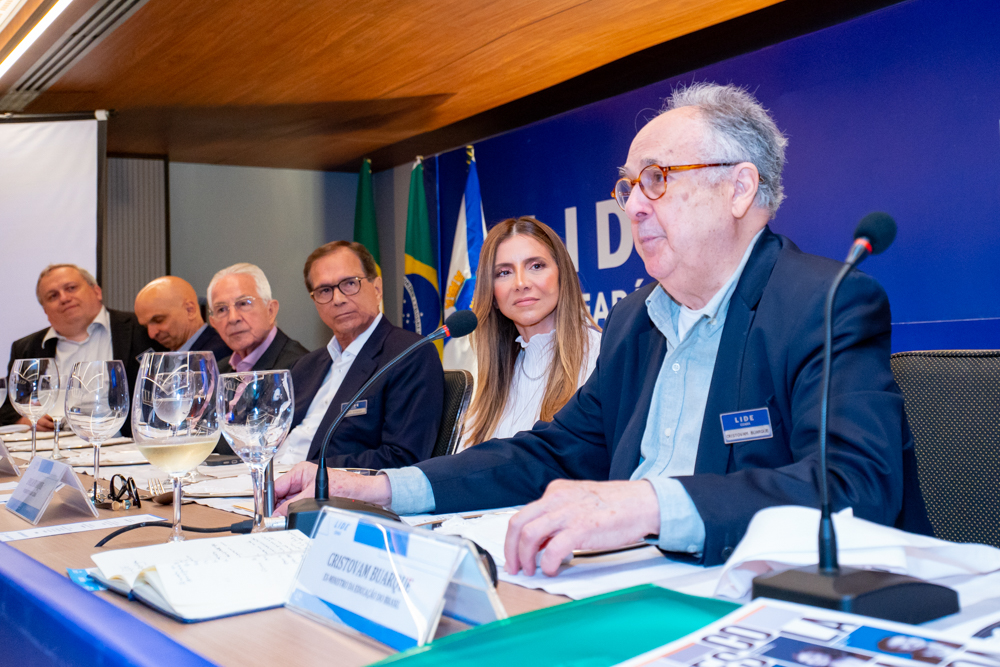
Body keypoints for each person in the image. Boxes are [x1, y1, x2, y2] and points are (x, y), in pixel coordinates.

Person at [275, 83, 930, 575]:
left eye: (656, 180)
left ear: (738, 189)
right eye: (627, 185)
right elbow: (552, 453)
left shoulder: (825, 302)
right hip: (626, 582)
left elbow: (855, 487)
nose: (633, 204)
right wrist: (382, 487)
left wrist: (646, 505)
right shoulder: (635, 318)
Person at [275, 240, 444, 469]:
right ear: (315, 302)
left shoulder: (409, 354)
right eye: (325, 290)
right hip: (262, 479)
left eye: (349, 284)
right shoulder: (305, 366)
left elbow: (403, 458)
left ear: (377, 289)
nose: (338, 299)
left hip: (323, 486)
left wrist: (313, 472)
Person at [459, 216, 600, 450]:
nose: (521, 283)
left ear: (562, 275)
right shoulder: (489, 380)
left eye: (536, 266)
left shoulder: (600, 358)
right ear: (491, 294)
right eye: (504, 272)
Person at [0, 264, 160, 432]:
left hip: (127, 444)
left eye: (71, 288)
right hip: (55, 445)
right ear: (45, 310)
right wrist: (24, 419)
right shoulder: (27, 348)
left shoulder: (143, 330)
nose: (64, 298)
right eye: (53, 296)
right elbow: (7, 406)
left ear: (97, 291)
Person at [207, 263, 308, 374]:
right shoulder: (217, 372)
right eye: (221, 309)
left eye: (244, 303)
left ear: (270, 310)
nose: (233, 318)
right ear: (213, 322)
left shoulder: (299, 367)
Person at [134, 276, 231, 359]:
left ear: (190, 310)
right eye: (146, 326)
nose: (152, 334)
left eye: (159, 320)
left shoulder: (215, 356)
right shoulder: (168, 355)